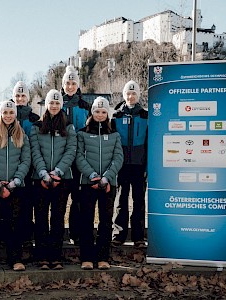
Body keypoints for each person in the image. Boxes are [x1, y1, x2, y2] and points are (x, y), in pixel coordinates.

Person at [0, 100, 31, 272]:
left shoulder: (22, 136)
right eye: (5, 113)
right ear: (1, 114)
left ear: (15, 114)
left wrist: (14, 182)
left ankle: (15, 259)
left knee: (15, 224)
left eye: (11, 113)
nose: (8, 116)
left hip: (15, 187)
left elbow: (26, 161)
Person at [30, 89, 77, 270]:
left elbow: (71, 150)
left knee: (57, 218)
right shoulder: (36, 126)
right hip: (40, 179)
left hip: (62, 179)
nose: (54, 106)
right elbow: (35, 151)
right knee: (41, 218)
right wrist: (43, 173)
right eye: (51, 103)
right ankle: (42, 256)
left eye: (57, 103)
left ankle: (55, 256)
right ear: (46, 105)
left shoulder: (69, 126)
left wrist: (58, 172)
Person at [75, 97, 123, 270]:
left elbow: (118, 158)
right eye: (97, 111)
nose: (100, 115)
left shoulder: (115, 134)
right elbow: (79, 157)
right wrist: (93, 176)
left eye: (104, 112)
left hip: (108, 184)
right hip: (88, 183)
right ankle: (86, 257)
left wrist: (106, 178)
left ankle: (103, 257)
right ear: (92, 112)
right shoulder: (82, 133)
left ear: (108, 114)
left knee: (106, 221)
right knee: (86, 220)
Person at [111, 80, 148, 248]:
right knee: (121, 200)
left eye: (133, 93)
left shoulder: (145, 116)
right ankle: (119, 234)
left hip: (139, 165)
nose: (130, 96)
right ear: (123, 95)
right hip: (121, 165)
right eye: (128, 93)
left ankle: (139, 236)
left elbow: (150, 143)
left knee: (139, 200)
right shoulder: (116, 116)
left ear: (138, 95)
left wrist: (147, 166)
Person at [60, 66, 91, 246]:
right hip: (62, 159)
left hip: (79, 159)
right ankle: (58, 231)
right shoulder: (57, 104)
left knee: (78, 199)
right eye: (67, 83)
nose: (70, 86)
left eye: (73, 83)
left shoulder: (85, 106)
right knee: (60, 199)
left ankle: (75, 232)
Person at [12, 81, 40, 250]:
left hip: (29, 170)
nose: (20, 99)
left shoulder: (35, 119)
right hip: (11, 169)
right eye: (17, 95)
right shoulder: (7, 115)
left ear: (27, 98)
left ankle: (27, 238)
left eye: (23, 96)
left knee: (28, 205)